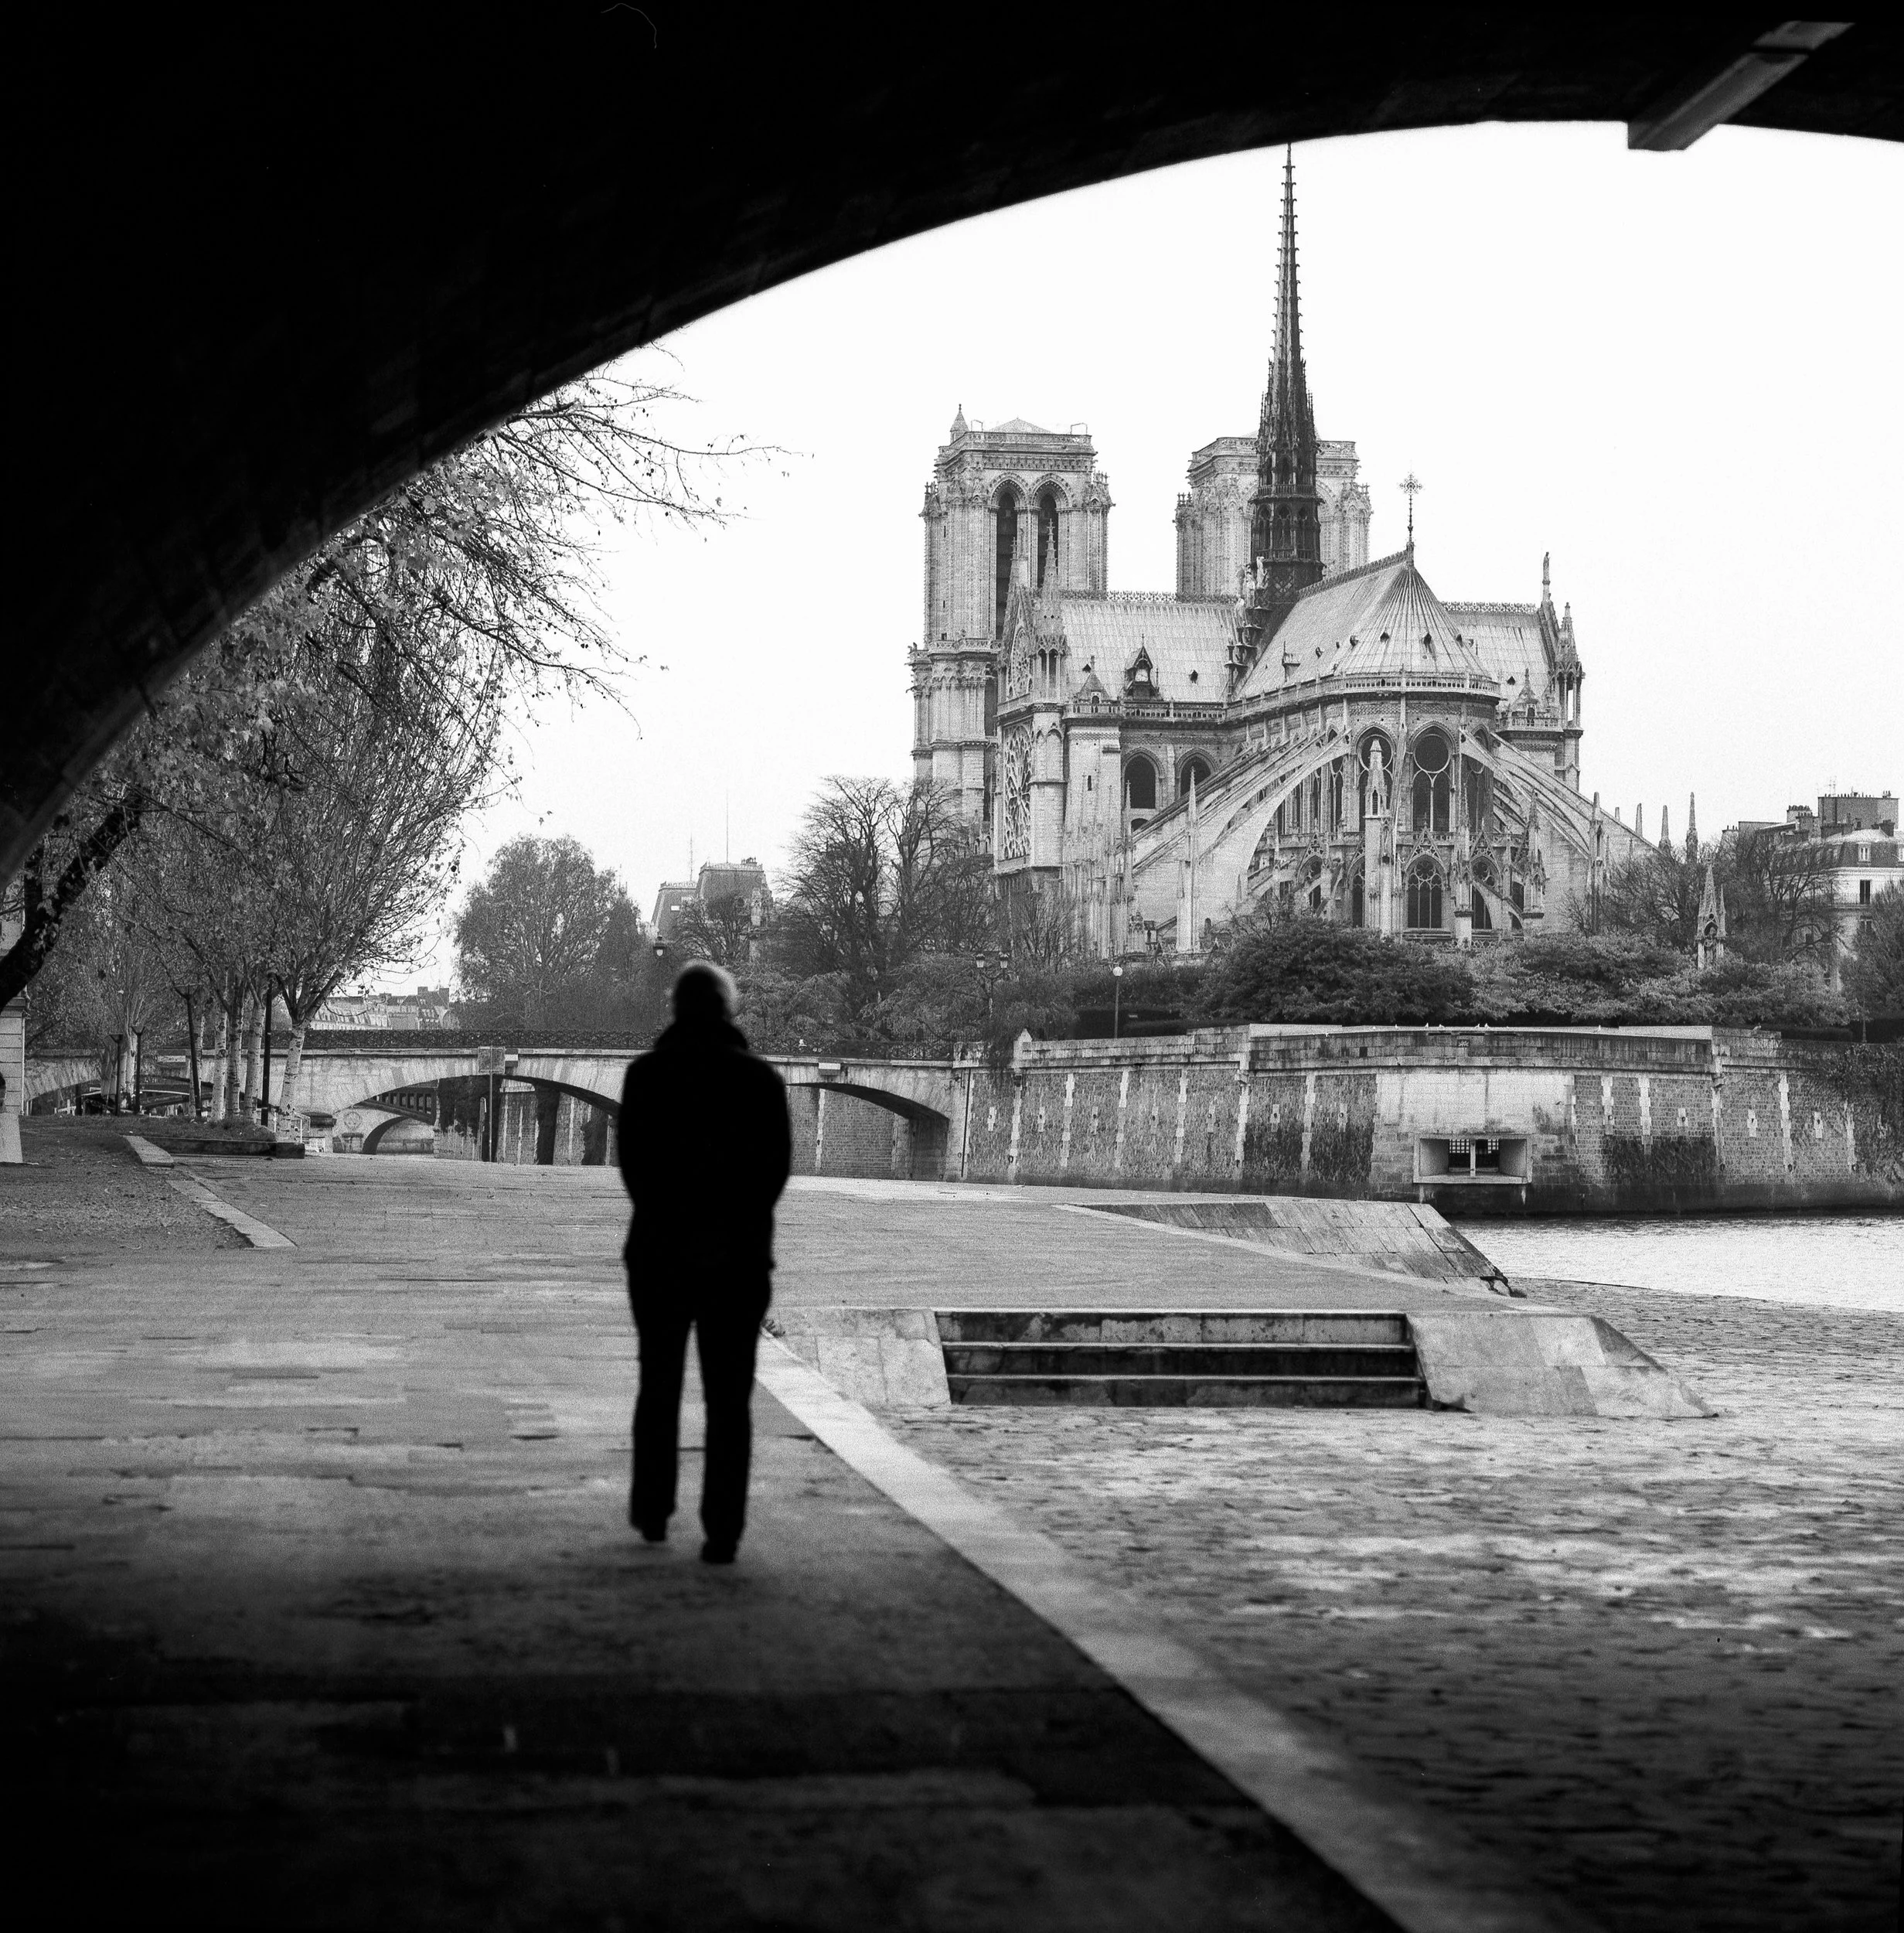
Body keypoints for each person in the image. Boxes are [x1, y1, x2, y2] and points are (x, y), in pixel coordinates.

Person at [617, 961, 791, 1564]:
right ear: (728, 1009)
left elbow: (634, 1167)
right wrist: (735, 1223)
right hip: (736, 1257)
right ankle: (722, 1530)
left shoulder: (645, 1076)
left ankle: (652, 1511)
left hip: (660, 1251)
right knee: (729, 1399)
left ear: (675, 1009)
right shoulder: (760, 1080)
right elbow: (773, 1172)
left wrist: (668, 1216)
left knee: (657, 1386)